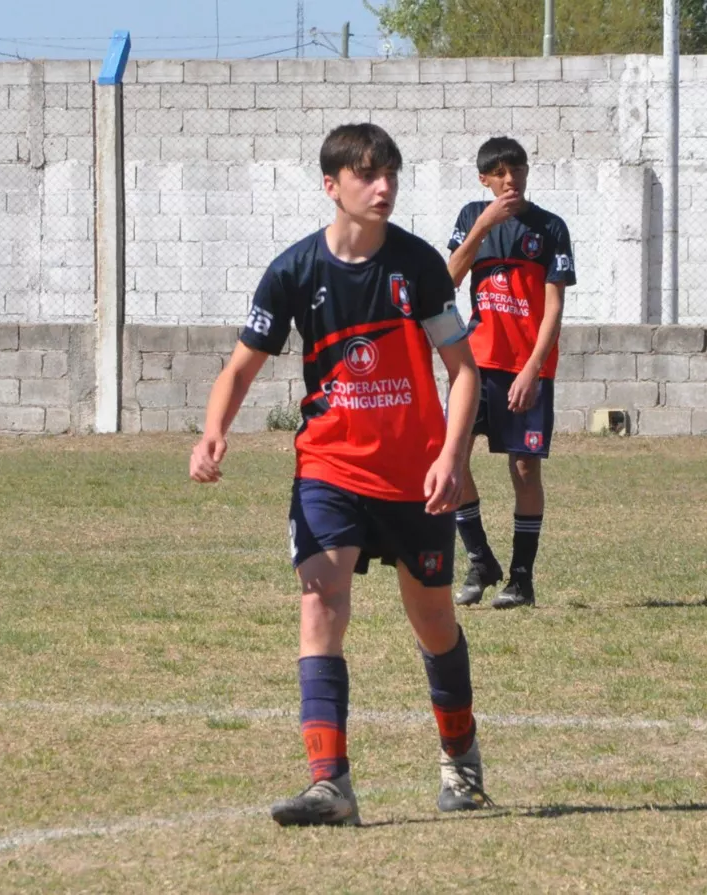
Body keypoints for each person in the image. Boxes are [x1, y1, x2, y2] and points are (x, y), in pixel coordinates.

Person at [189, 123, 491, 827]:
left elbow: (464, 371)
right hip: (329, 467)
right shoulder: (294, 271)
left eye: (390, 174)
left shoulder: (417, 265)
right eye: (366, 175)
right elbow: (240, 367)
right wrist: (213, 431)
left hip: (416, 473)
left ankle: (462, 759)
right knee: (320, 599)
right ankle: (330, 783)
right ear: (332, 186)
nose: (383, 186)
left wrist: (451, 456)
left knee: (435, 621)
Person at [446, 136, 576, 610]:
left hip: (526, 370)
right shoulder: (470, 218)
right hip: (475, 367)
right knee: (452, 458)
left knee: (524, 468)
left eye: (517, 170)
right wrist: (482, 225)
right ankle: (481, 560)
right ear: (484, 179)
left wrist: (532, 370)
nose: (510, 180)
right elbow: (448, 282)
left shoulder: (550, 228)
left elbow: (554, 308)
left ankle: (521, 579)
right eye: (500, 173)